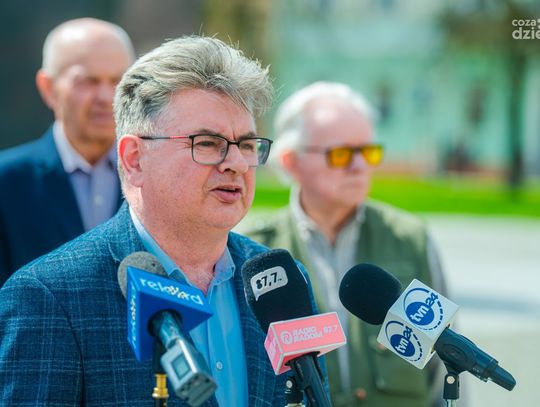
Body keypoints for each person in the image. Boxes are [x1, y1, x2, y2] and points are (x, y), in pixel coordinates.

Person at [0, 36, 302, 406]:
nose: (237, 163)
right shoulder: (47, 297)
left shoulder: (283, 284)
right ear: (134, 159)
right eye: (207, 143)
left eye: (247, 145)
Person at [242, 81, 448, 407]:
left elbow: (442, 371)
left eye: (367, 152)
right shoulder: (254, 253)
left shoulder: (410, 239)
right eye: (341, 154)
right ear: (291, 161)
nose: (359, 166)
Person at [0, 18, 135, 286]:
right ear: (48, 88)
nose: (106, 96)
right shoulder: (7, 183)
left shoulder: (155, 176)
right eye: (88, 81)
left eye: (118, 80)